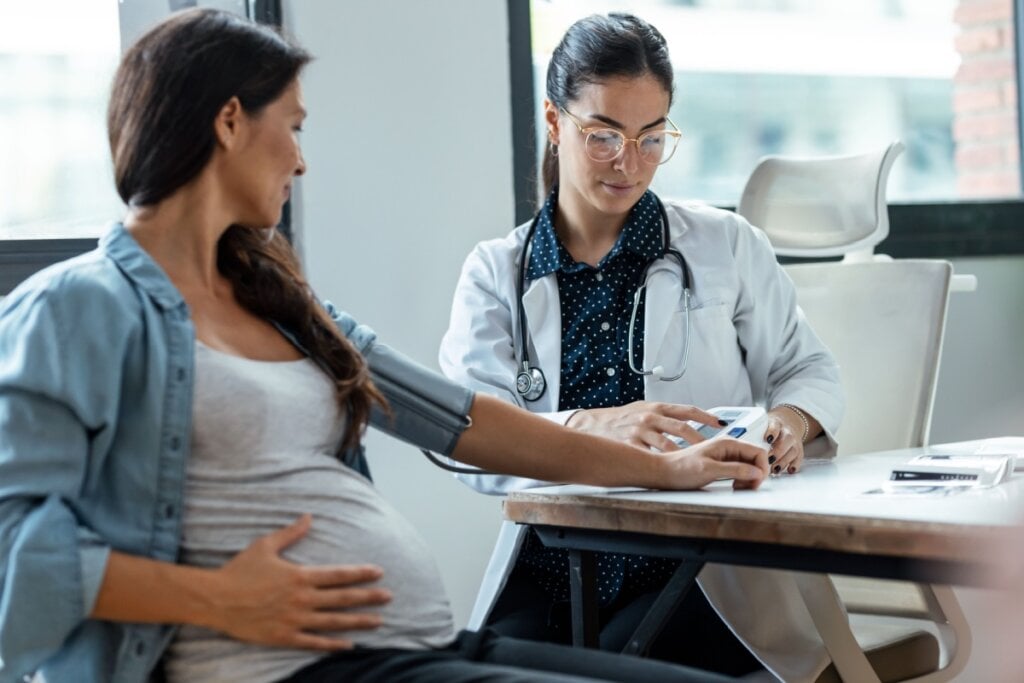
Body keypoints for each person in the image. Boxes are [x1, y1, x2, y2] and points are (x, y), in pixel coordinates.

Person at [0, 9, 772, 683]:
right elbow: (11, 553)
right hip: (300, 665)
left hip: (412, 645)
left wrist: (663, 468)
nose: (302, 160)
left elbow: (462, 419)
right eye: (293, 127)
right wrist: (218, 597)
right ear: (230, 121)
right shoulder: (76, 308)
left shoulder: (282, 305)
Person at [439, 11, 844, 677]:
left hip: (694, 568)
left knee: (607, 660)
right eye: (603, 136)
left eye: (652, 138)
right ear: (553, 121)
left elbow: (809, 368)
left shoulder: (725, 245)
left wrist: (789, 419)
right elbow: (471, 440)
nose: (629, 163)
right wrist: (590, 425)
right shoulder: (495, 271)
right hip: (548, 563)